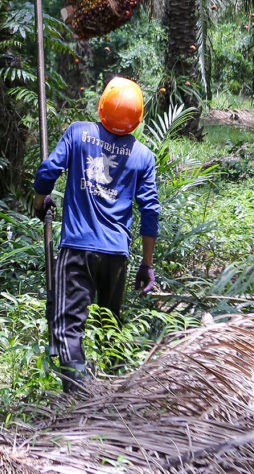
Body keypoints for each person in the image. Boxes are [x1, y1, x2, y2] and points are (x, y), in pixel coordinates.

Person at [32, 76, 160, 392]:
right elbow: (150, 211)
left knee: (67, 327)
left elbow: (48, 171)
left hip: (77, 249)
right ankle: (116, 394)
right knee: (111, 326)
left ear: (102, 106)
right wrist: (147, 264)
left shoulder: (78, 133)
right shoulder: (143, 156)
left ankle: (78, 397)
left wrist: (39, 201)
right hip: (116, 255)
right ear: (137, 118)